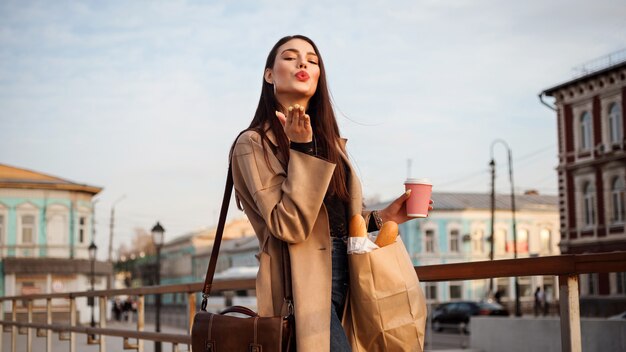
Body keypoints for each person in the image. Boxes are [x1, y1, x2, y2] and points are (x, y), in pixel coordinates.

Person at [230, 35, 432, 352]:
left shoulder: (333, 143)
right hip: (301, 288)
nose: (302, 64)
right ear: (269, 74)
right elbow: (290, 225)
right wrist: (301, 149)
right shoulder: (252, 144)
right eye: (290, 57)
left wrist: (382, 218)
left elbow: (333, 222)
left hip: (355, 278)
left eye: (312, 61)